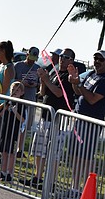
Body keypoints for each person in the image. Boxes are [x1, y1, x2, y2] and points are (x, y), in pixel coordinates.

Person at [63, 49, 105, 199]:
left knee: (85, 156)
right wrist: (74, 81)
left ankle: (83, 191)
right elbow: (79, 92)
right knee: (74, 154)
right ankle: (74, 188)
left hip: (91, 123)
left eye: (101, 59)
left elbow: (92, 99)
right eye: (95, 58)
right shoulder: (92, 75)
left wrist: (79, 84)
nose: (97, 61)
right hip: (79, 119)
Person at [27, 48, 76, 187]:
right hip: (45, 116)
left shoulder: (68, 76)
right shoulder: (55, 72)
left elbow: (60, 93)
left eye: (66, 57)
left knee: (53, 152)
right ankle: (38, 177)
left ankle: (51, 182)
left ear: (71, 60)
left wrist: (47, 80)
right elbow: (43, 92)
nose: (62, 59)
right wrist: (43, 80)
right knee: (39, 148)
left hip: (58, 119)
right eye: (61, 56)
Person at [0, 81, 27, 181]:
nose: (15, 92)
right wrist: (3, 108)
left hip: (14, 131)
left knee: (11, 153)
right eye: (13, 90)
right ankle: (3, 171)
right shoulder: (8, 101)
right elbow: (0, 114)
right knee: (4, 151)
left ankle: (10, 173)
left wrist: (15, 111)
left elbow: (22, 119)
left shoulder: (21, 104)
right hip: (5, 129)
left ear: (22, 93)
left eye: (17, 90)